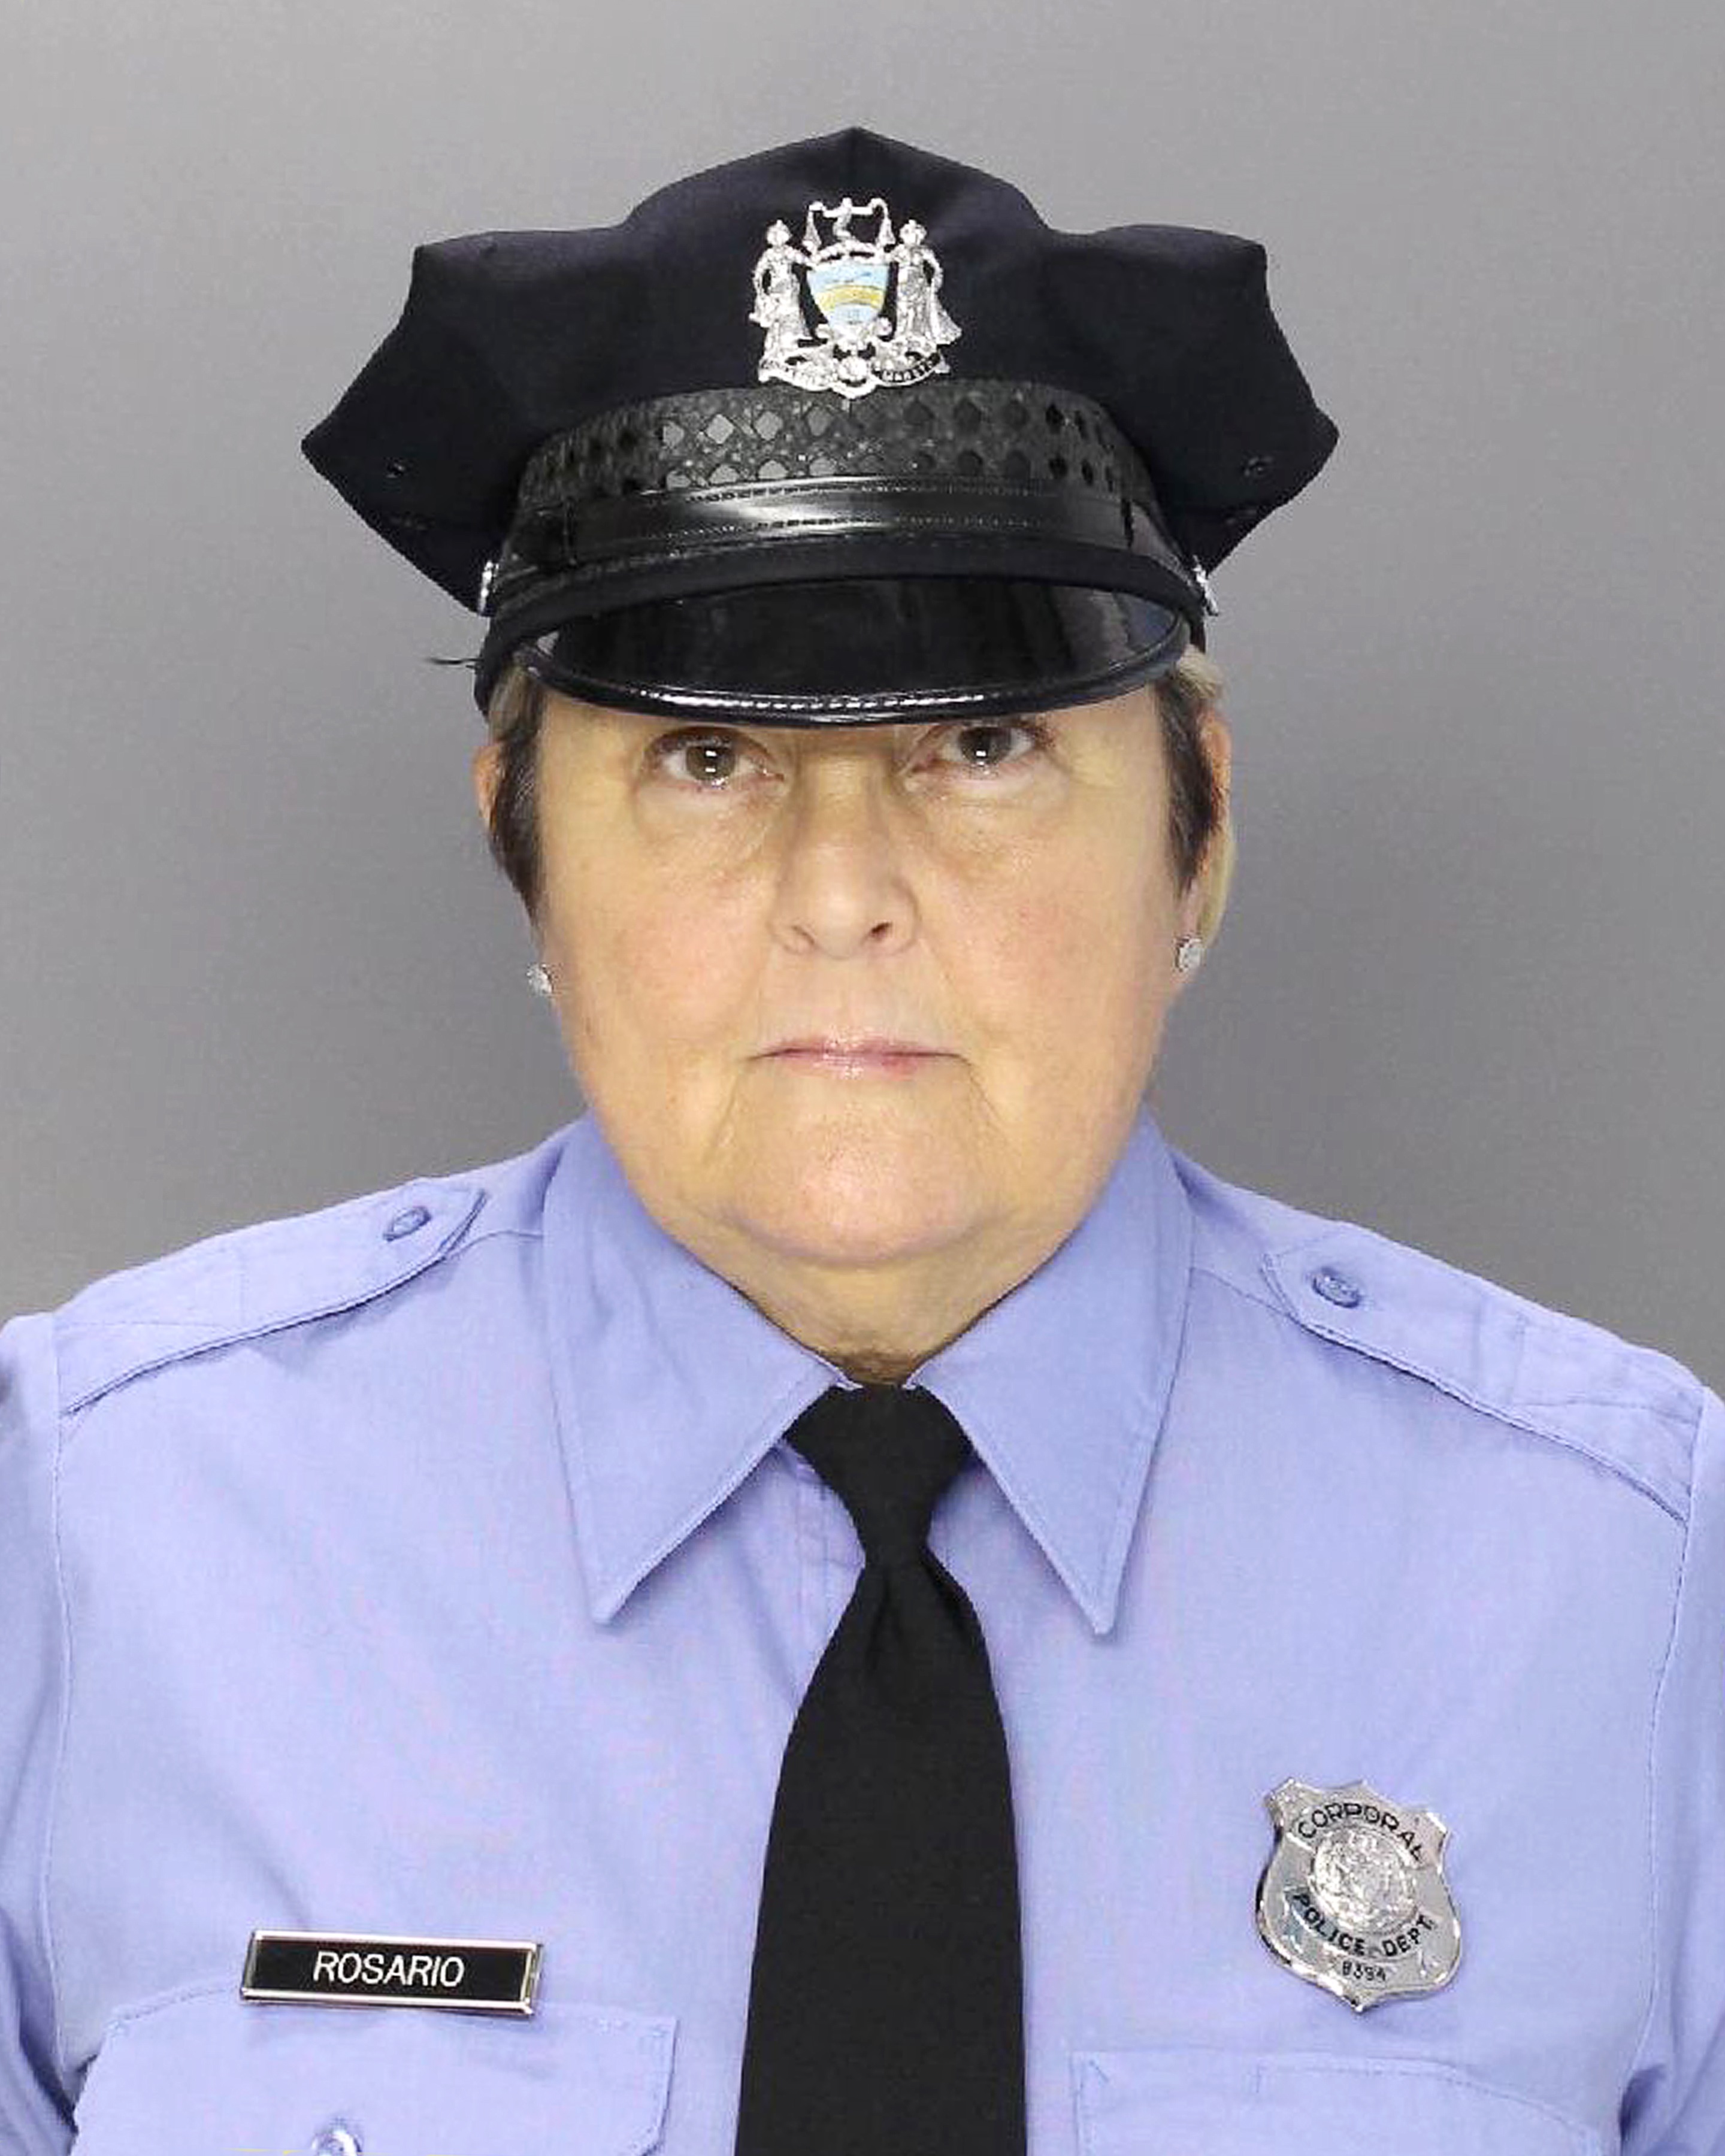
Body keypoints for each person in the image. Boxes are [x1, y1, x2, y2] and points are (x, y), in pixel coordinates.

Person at [1, 124, 1721, 2156]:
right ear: (519, 846)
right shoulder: (88, 1535)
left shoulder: (1635, 1586)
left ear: (1198, 832)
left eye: (982, 746)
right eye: (705, 756)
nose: (842, 896)